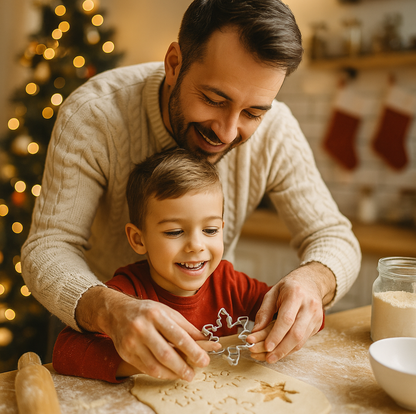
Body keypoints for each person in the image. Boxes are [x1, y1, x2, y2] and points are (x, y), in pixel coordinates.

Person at [21, 0, 361, 383]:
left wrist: (312, 282)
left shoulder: (277, 130)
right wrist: (111, 310)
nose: (229, 132)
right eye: (215, 100)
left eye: (253, 113)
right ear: (173, 63)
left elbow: (333, 236)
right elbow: (48, 246)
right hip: (98, 333)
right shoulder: (95, 113)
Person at [52, 148, 278, 383]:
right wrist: (145, 359)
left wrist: (275, 333)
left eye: (210, 230)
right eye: (175, 232)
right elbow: (65, 351)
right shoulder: (128, 293)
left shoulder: (229, 282)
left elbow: (282, 309)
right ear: (139, 239)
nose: (196, 245)